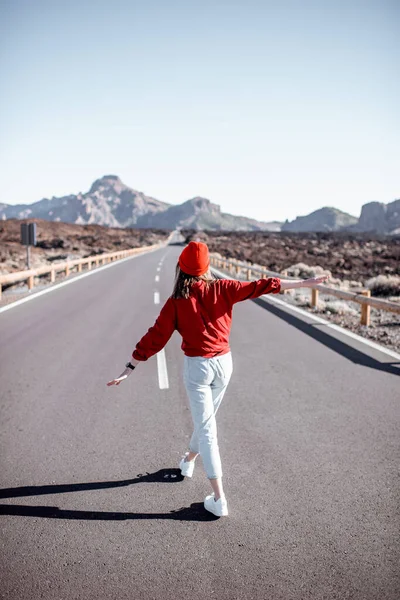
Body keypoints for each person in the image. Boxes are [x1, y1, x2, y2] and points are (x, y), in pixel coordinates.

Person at [107, 241, 328, 517]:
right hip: (224, 364)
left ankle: (219, 498)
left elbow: (156, 337)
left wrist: (130, 366)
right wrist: (304, 282)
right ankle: (188, 460)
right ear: (207, 266)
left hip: (198, 368)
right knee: (206, 422)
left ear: (181, 268)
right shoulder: (224, 288)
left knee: (207, 428)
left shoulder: (176, 302)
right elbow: (262, 285)